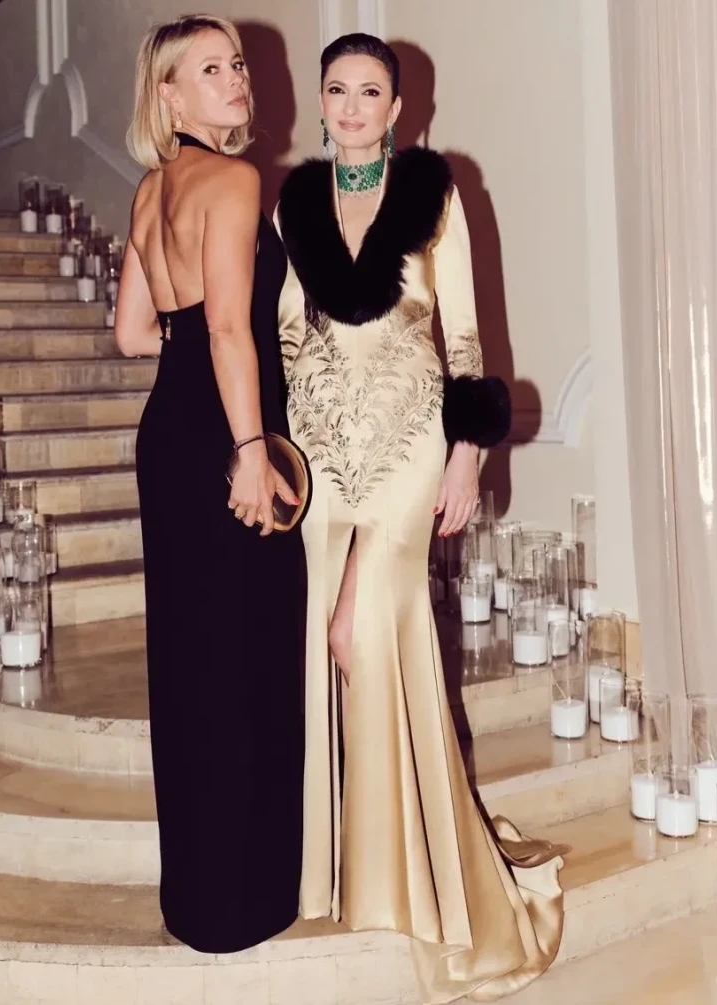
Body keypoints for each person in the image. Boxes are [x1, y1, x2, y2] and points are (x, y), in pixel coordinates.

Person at [275, 33, 564, 1001]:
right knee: (330, 641)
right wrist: (282, 442)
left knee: (360, 632)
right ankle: (363, 860)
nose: (352, 106)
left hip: (407, 440)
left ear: (399, 110)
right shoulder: (295, 201)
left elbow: (466, 333)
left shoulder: (435, 195)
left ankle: (423, 868)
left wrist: (467, 452)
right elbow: (286, 327)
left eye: (371, 92)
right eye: (338, 90)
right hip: (319, 448)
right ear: (321, 102)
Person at [116, 16, 305, 954]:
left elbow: (130, 334)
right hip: (227, 437)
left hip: (168, 432)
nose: (237, 79)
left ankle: (194, 896)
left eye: (237, 64)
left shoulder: (150, 192)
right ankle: (245, 900)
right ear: (170, 96)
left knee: (190, 660)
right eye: (212, 70)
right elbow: (231, 329)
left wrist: (185, 345)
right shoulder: (232, 181)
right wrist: (251, 448)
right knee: (247, 655)